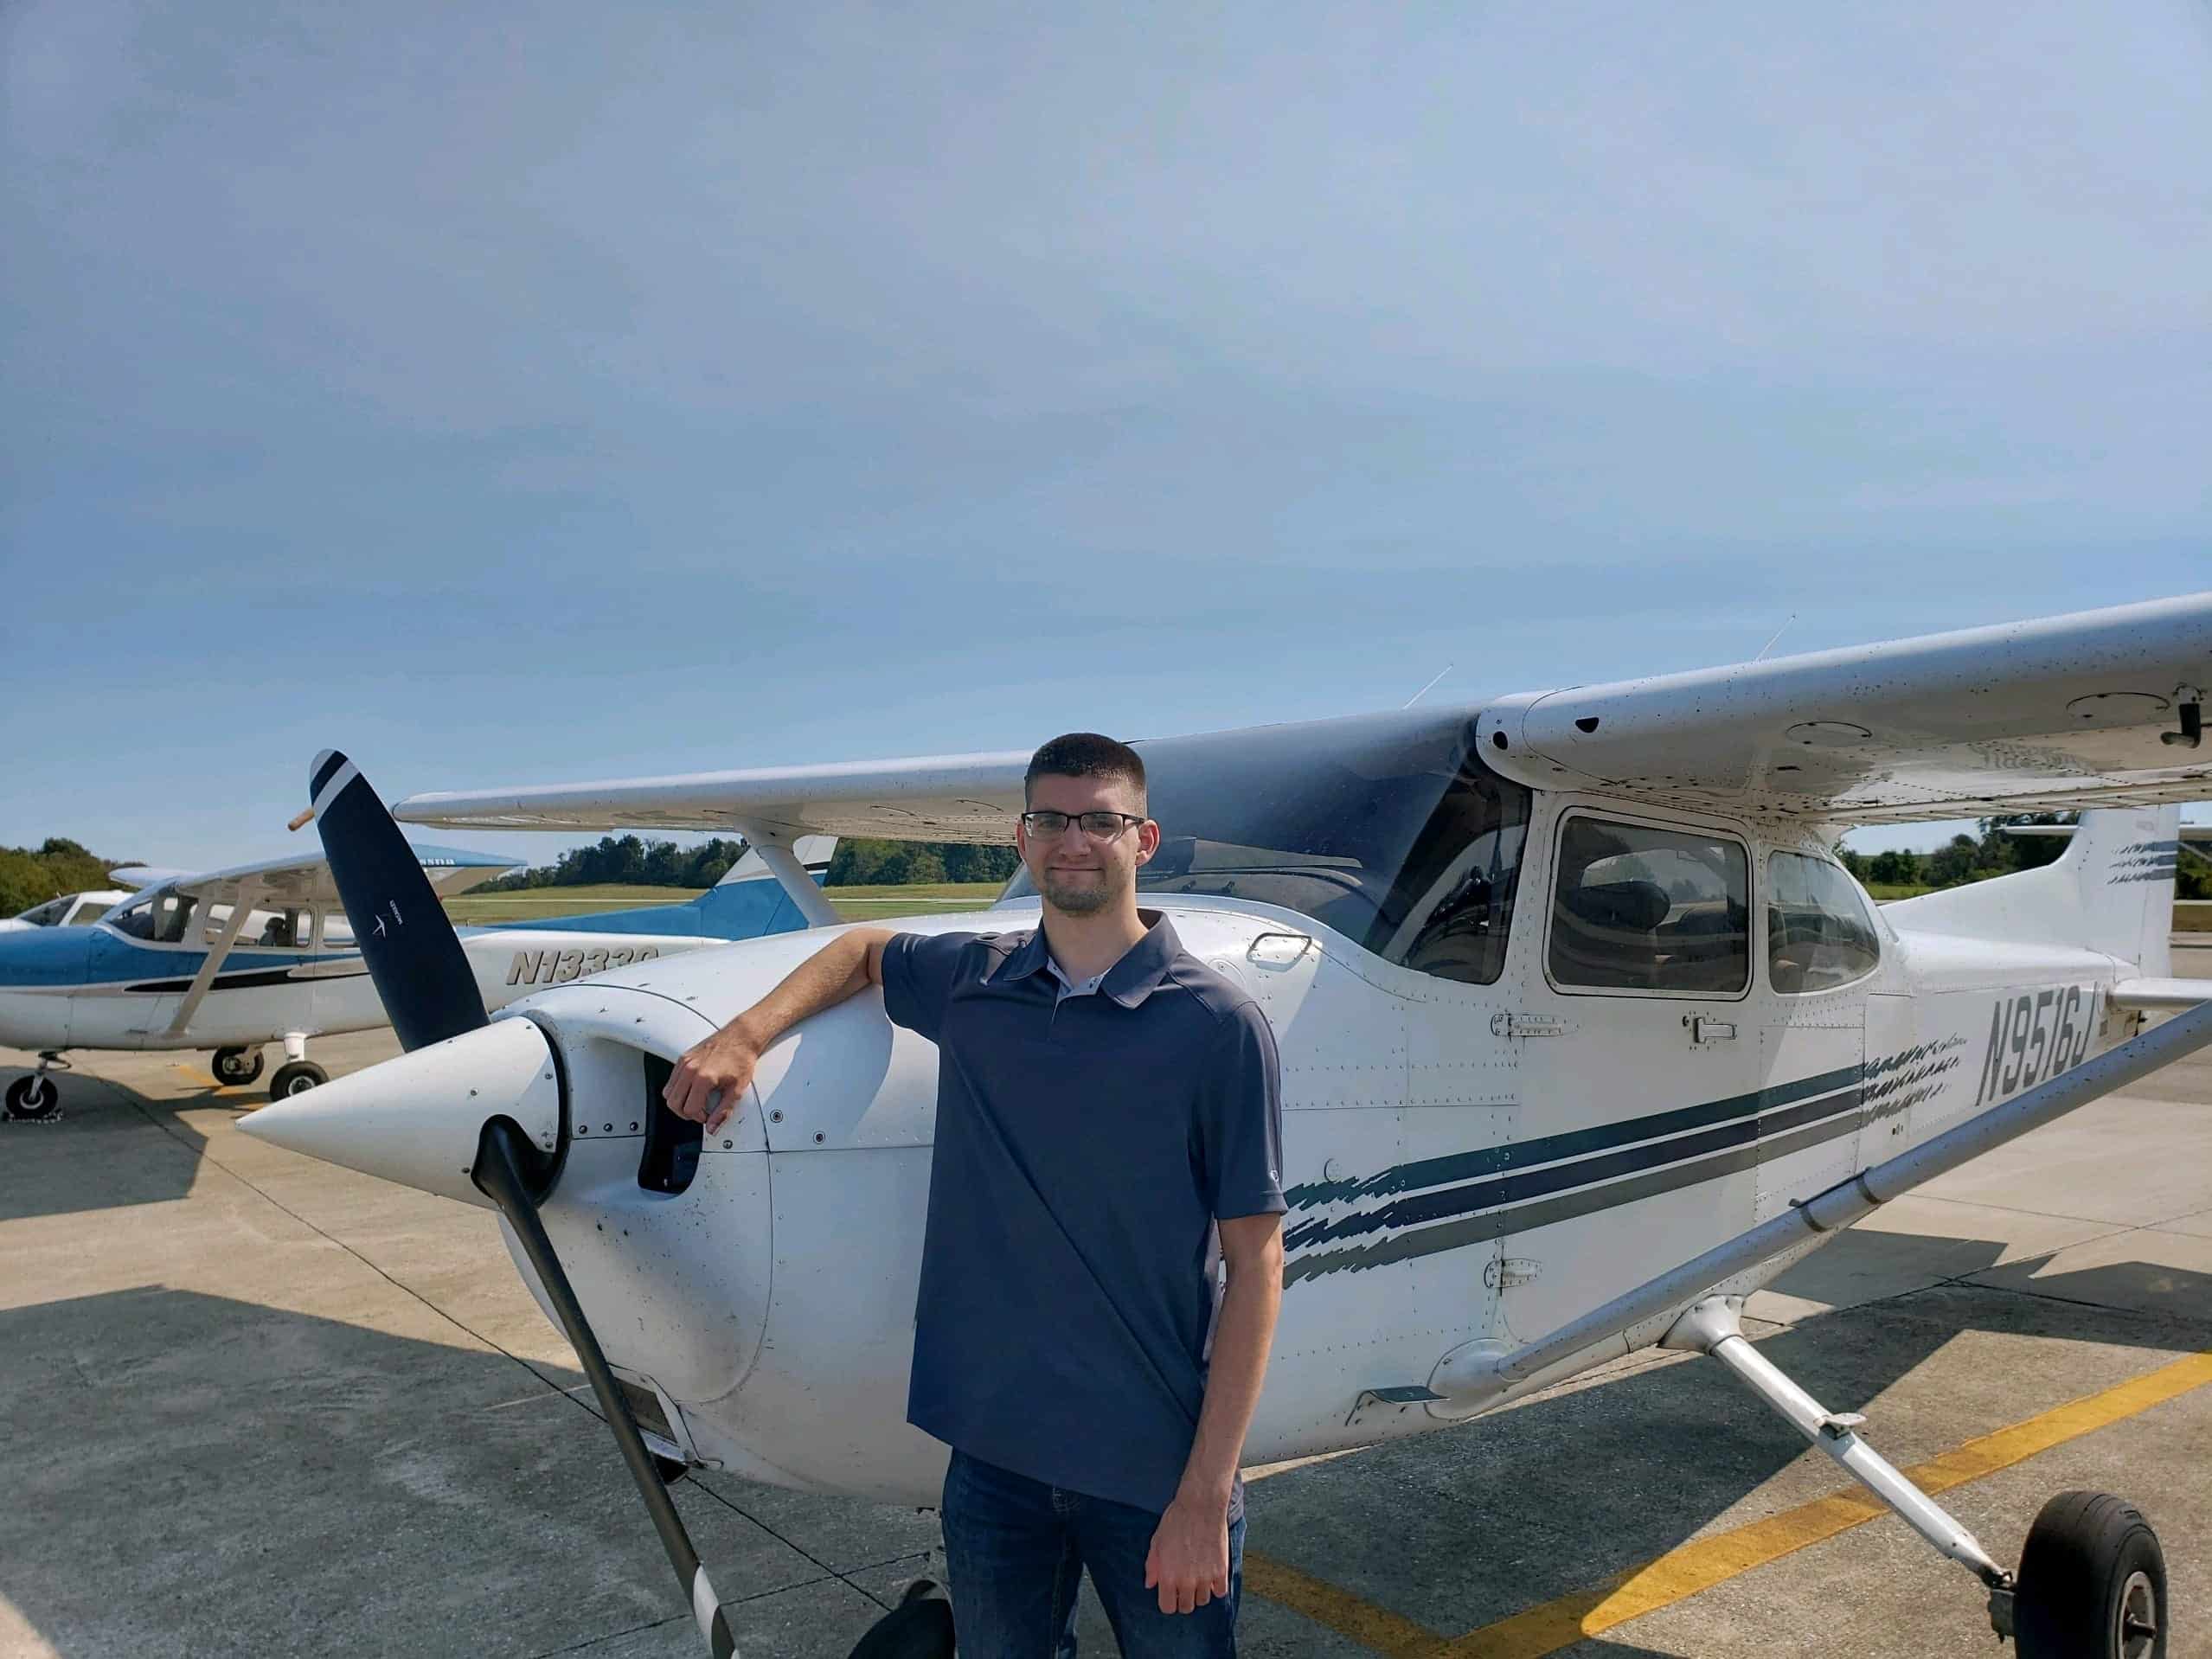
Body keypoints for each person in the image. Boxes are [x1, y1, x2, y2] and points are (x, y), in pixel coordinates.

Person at [663, 732, 1286, 1656]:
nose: (1073, 842)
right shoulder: (976, 982)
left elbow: (1256, 1265)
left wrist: (1204, 1494)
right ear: (1021, 838)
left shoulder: (1216, 1024)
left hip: (1152, 1464)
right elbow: (863, 950)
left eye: (1101, 823)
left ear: (1144, 840)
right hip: (996, 1462)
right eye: (1050, 821)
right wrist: (744, 1035)